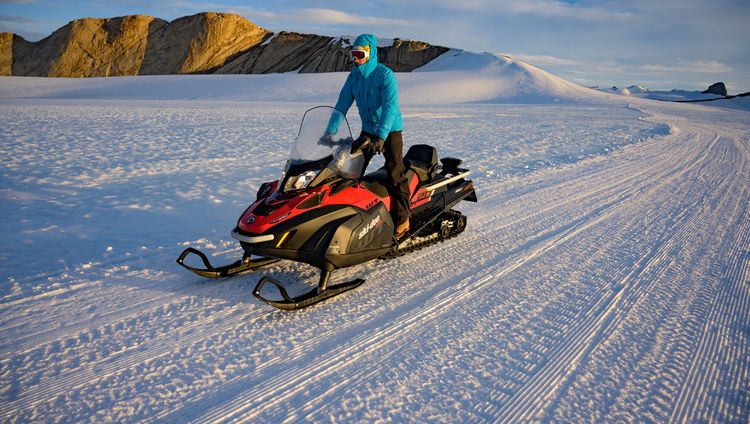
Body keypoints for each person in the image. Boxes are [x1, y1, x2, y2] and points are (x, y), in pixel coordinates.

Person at [327, 33, 411, 239]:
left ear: (370, 53)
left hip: (389, 131)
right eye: (352, 54)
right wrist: (330, 131)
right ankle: (350, 216)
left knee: (395, 172)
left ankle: (403, 219)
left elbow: (390, 108)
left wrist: (381, 137)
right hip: (368, 130)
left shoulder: (385, 75)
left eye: (359, 54)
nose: (355, 58)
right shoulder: (353, 76)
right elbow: (342, 104)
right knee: (350, 170)